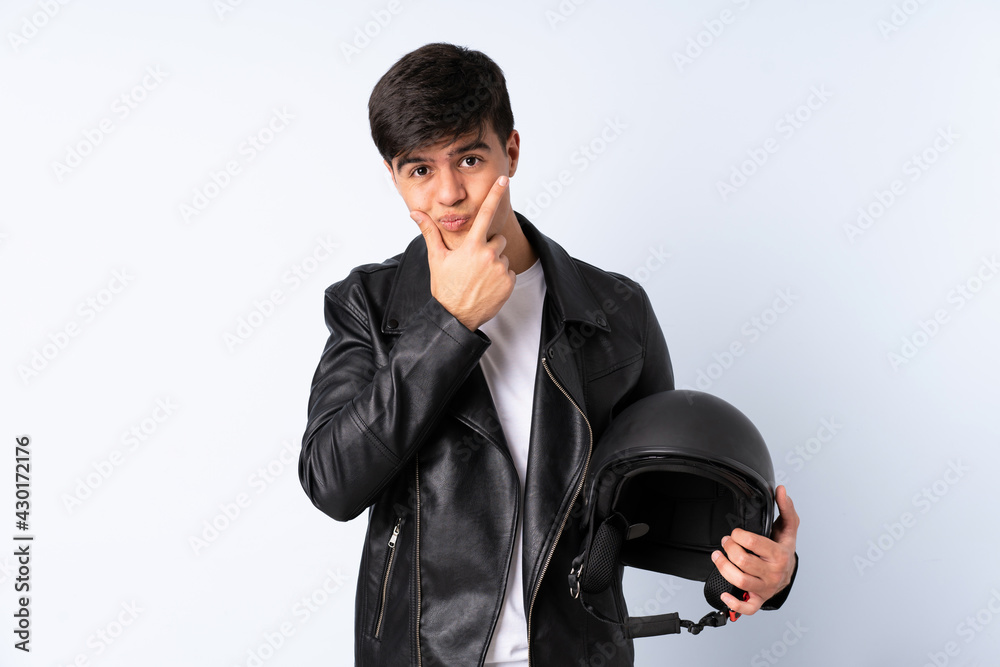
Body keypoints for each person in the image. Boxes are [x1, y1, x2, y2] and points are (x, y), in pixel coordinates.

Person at [298, 42, 799, 667]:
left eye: (469, 158)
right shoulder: (368, 305)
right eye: (419, 170)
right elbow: (332, 483)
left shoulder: (616, 311)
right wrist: (452, 324)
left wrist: (760, 574)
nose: (449, 193)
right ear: (394, 176)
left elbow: (651, 504)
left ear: (511, 150)